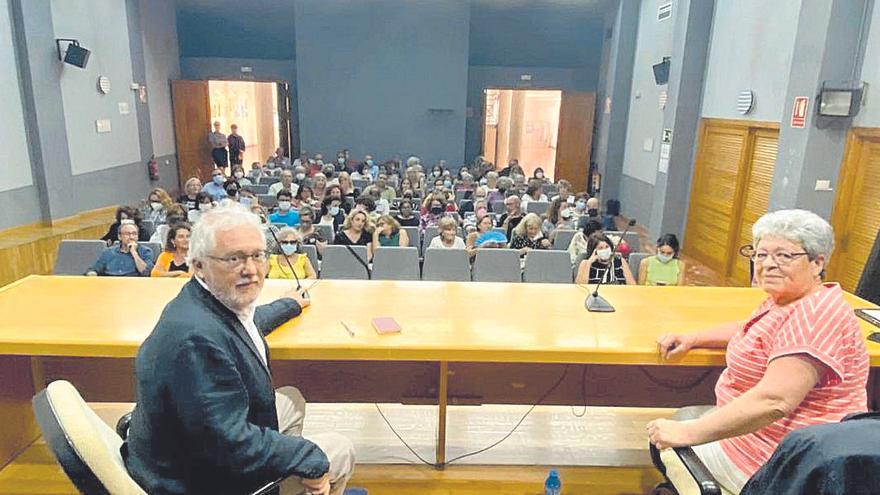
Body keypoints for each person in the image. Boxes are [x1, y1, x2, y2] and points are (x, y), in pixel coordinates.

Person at [122, 203, 354, 494]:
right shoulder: (195, 342)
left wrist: (289, 305)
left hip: (194, 447)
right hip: (201, 479)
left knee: (290, 400)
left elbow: (240, 324)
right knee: (339, 451)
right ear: (198, 265)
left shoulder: (200, 302)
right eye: (234, 258)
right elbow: (229, 444)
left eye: (257, 255)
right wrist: (308, 458)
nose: (251, 270)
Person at [648, 209, 869, 494]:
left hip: (773, 465)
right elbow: (754, 329)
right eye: (761, 254)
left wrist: (686, 433)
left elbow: (774, 401)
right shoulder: (790, 299)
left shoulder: (815, 314)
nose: (768, 264)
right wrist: (693, 337)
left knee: (663, 437)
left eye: (784, 256)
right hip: (769, 445)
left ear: (817, 262)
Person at [87, 223, 154, 276]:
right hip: (110, 285)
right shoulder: (108, 252)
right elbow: (94, 269)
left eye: (134, 234)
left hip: (133, 286)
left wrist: (134, 253)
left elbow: (146, 273)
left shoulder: (146, 251)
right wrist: (92, 274)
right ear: (119, 237)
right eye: (127, 234)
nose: (131, 237)